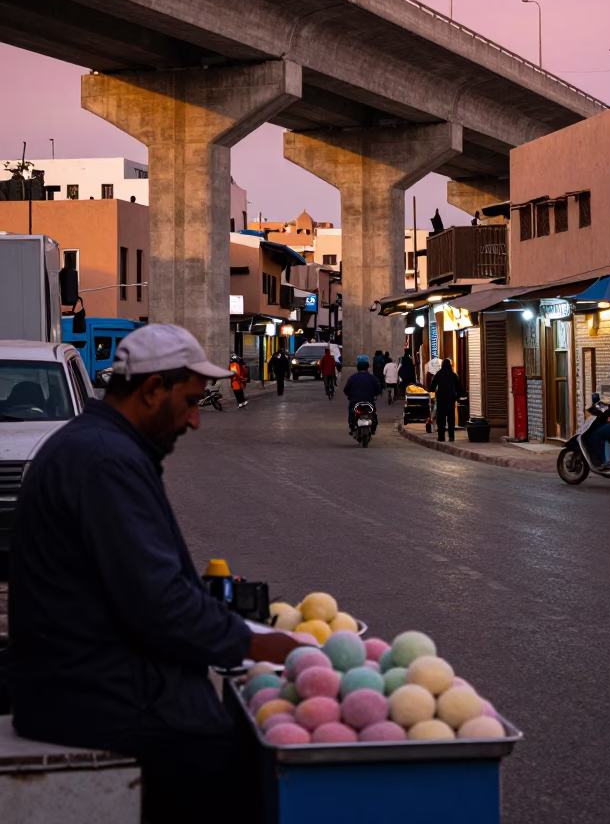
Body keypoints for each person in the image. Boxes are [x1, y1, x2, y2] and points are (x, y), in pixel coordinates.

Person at [7, 324, 296, 823]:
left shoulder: (101, 448)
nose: (195, 420)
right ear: (152, 390)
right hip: (93, 696)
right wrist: (266, 646)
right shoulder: (104, 460)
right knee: (217, 747)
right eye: (189, 400)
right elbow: (160, 603)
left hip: (85, 682)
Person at [343, 354, 381, 434]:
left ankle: (352, 426)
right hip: (369, 401)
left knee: (351, 410)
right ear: (368, 366)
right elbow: (378, 390)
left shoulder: (352, 378)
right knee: (374, 412)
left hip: (355, 401)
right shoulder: (372, 378)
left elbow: (346, 390)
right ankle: (373, 427)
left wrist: (350, 396)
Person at [430, 357, 462, 442]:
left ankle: (441, 437)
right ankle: (451, 437)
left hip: (441, 399)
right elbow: (459, 388)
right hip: (451, 399)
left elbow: (432, 387)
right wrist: (458, 397)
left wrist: (434, 391)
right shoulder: (453, 375)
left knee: (441, 419)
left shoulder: (439, 374)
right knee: (451, 419)